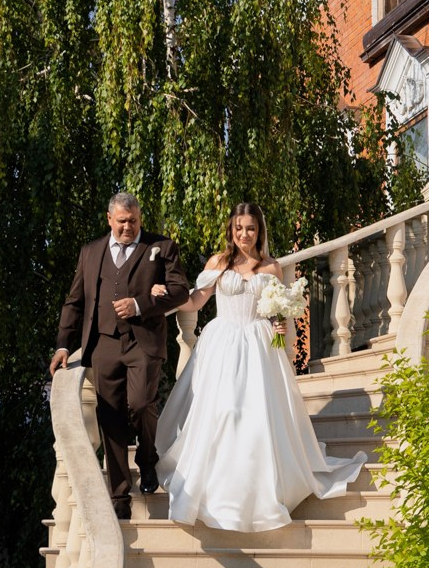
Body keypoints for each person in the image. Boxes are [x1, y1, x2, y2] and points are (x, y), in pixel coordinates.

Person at [155, 202, 366, 531]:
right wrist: (167, 294)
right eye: (238, 228)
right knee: (222, 412)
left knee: (256, 417)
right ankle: (217, 488)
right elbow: (196, 302)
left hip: (258, 345)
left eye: (250, 228)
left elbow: (277, 314)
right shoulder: (218, 264)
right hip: (222, 343)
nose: (244, 235)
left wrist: (280, 337)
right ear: (231, 229)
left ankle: (257, 491)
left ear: (259, 231)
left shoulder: (271, 268)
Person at [50, 192, 190, 519]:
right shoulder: (90, 252)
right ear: (109, 219)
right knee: (109, 418)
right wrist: (63, 346)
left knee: (142, 403)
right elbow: (75, 303)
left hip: (142, 341)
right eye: (122, 222)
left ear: (140, 219)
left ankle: (148, 459)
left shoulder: (162, 247)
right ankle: (119, 496)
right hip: (103, 344)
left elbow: (181, 291)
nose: (128, 227)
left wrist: (141, 304)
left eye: (134, 221)